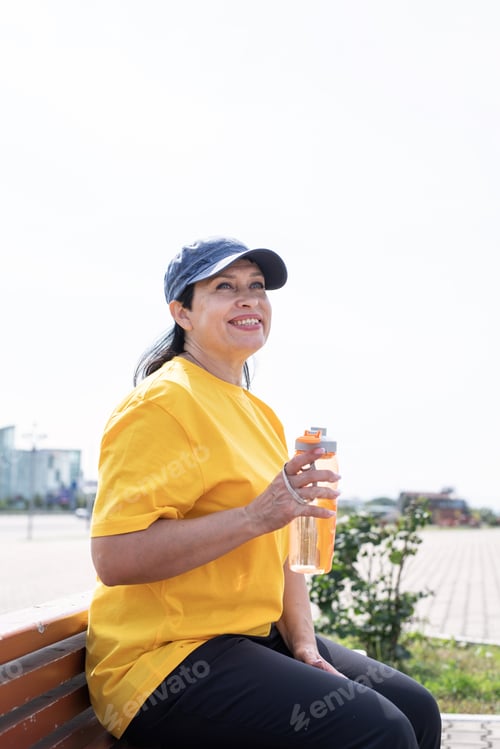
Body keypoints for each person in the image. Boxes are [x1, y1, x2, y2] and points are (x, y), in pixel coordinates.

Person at [86, 236, 441, 749]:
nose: (249, 299)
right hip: (167, 660)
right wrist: (256, 515)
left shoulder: (260, 414)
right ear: (182, 312)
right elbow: (114, 558)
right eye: (225, 287)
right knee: (378, 731)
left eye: (257, 287)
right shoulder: (161, 404)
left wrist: (303, 644)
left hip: (254, 637)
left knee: (417, 708)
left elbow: (282, 553)